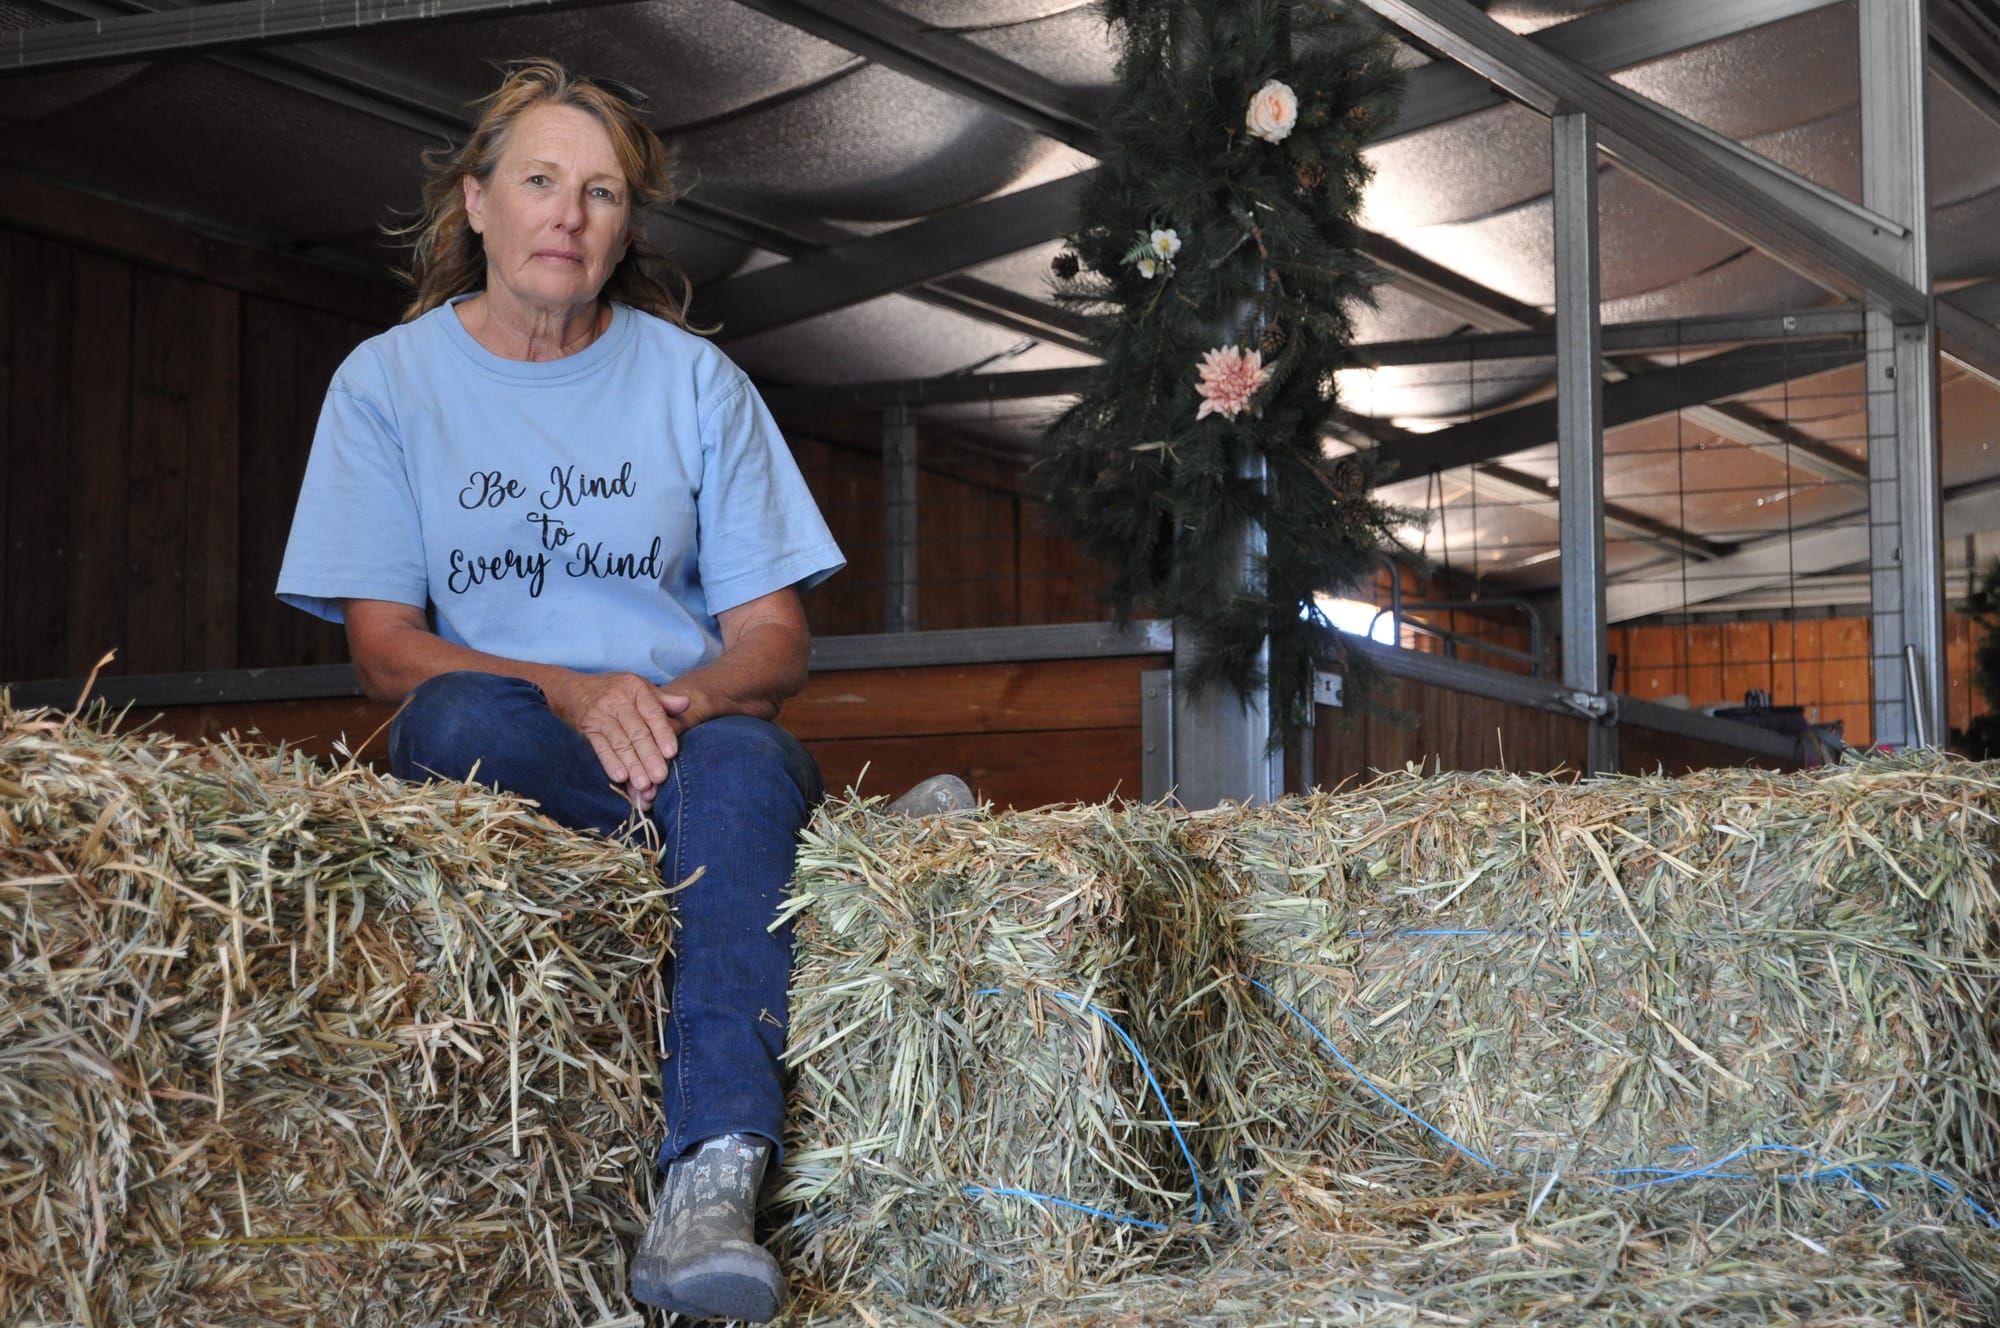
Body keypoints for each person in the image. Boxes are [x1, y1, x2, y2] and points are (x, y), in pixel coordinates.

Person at [277, 58, 845, 1323]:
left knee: (746, 760)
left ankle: (708, 1178)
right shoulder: (387, 383)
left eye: (600, 193)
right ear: (474, 202)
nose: (568, 215)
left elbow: (773, 639)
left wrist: (673, 704)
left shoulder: (697, 383)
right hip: (519, 741)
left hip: (685, 735)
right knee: (453, 720)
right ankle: (790, 867)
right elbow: (384, 648)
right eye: (539, 181)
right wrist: (582, 693)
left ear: (626, 226)